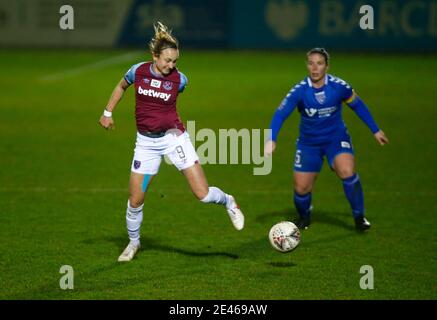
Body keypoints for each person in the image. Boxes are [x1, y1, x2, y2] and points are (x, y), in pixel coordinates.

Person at [99, 22, 244, 262]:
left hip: (174, 139)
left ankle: (229, 201)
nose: (171, 65)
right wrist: (107, 112)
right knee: (135, 201)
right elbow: (121, 86)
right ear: (154, 56)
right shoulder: (138, 71)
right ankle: (133, 243)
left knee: (203, 195)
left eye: (175, 61)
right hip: (145, 144)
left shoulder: (180, 80)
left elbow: (171, 99)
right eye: (167, 60)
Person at [264, 48, 389, 231]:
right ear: (307, 65)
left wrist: (375, 130)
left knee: (347, 171)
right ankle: (305, 217)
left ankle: (359, 217)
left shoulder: (339, 87)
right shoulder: (299, 91)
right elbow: (280, 114)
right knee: (301, 189)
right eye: (311, 63)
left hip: (335, 139)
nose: (315, 68)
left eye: (319, 63)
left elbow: (358, 106)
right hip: (308, 144)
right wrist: (271, 139)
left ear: (327, 66)